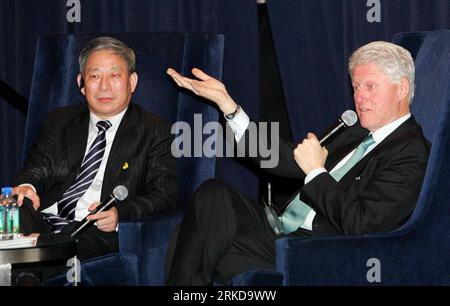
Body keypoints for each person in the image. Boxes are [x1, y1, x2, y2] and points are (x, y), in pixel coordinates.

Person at [165, 41, 430, 285]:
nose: (359, 98)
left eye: (370, 86)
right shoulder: (355, 130)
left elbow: (362, 224)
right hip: (281, 231)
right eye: (356, 87)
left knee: (198, 240)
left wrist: (316, 171)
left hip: (318, 251)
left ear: (402, 89)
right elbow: (290, 159)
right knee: (212, 201)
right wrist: (229, 107)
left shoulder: (410, 151)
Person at [13, 36, 178, 263]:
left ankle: (34, 255)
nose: (104, 86)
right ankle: (34, 252)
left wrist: (120, 213)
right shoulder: (60, 120)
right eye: (94, 76)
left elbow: (164, 195)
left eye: (114, 75)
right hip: (45, 221)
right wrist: (26, 186)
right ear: (81, 83)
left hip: (94, 228)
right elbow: (37, 169)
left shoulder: (155, 130)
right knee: (14, 211)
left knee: (72, 244)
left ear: (132, 82)